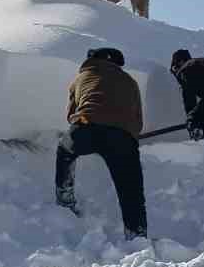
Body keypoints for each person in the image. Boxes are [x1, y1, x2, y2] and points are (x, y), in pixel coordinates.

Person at [56, 46, 148, 239]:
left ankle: (65, 197)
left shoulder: (79, 79)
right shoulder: (130, 82)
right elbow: (138, 121)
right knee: (131, 189)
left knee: (64, 150)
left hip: (86, 128)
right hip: (122, 137)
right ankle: (136, 235)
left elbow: (70, 115)